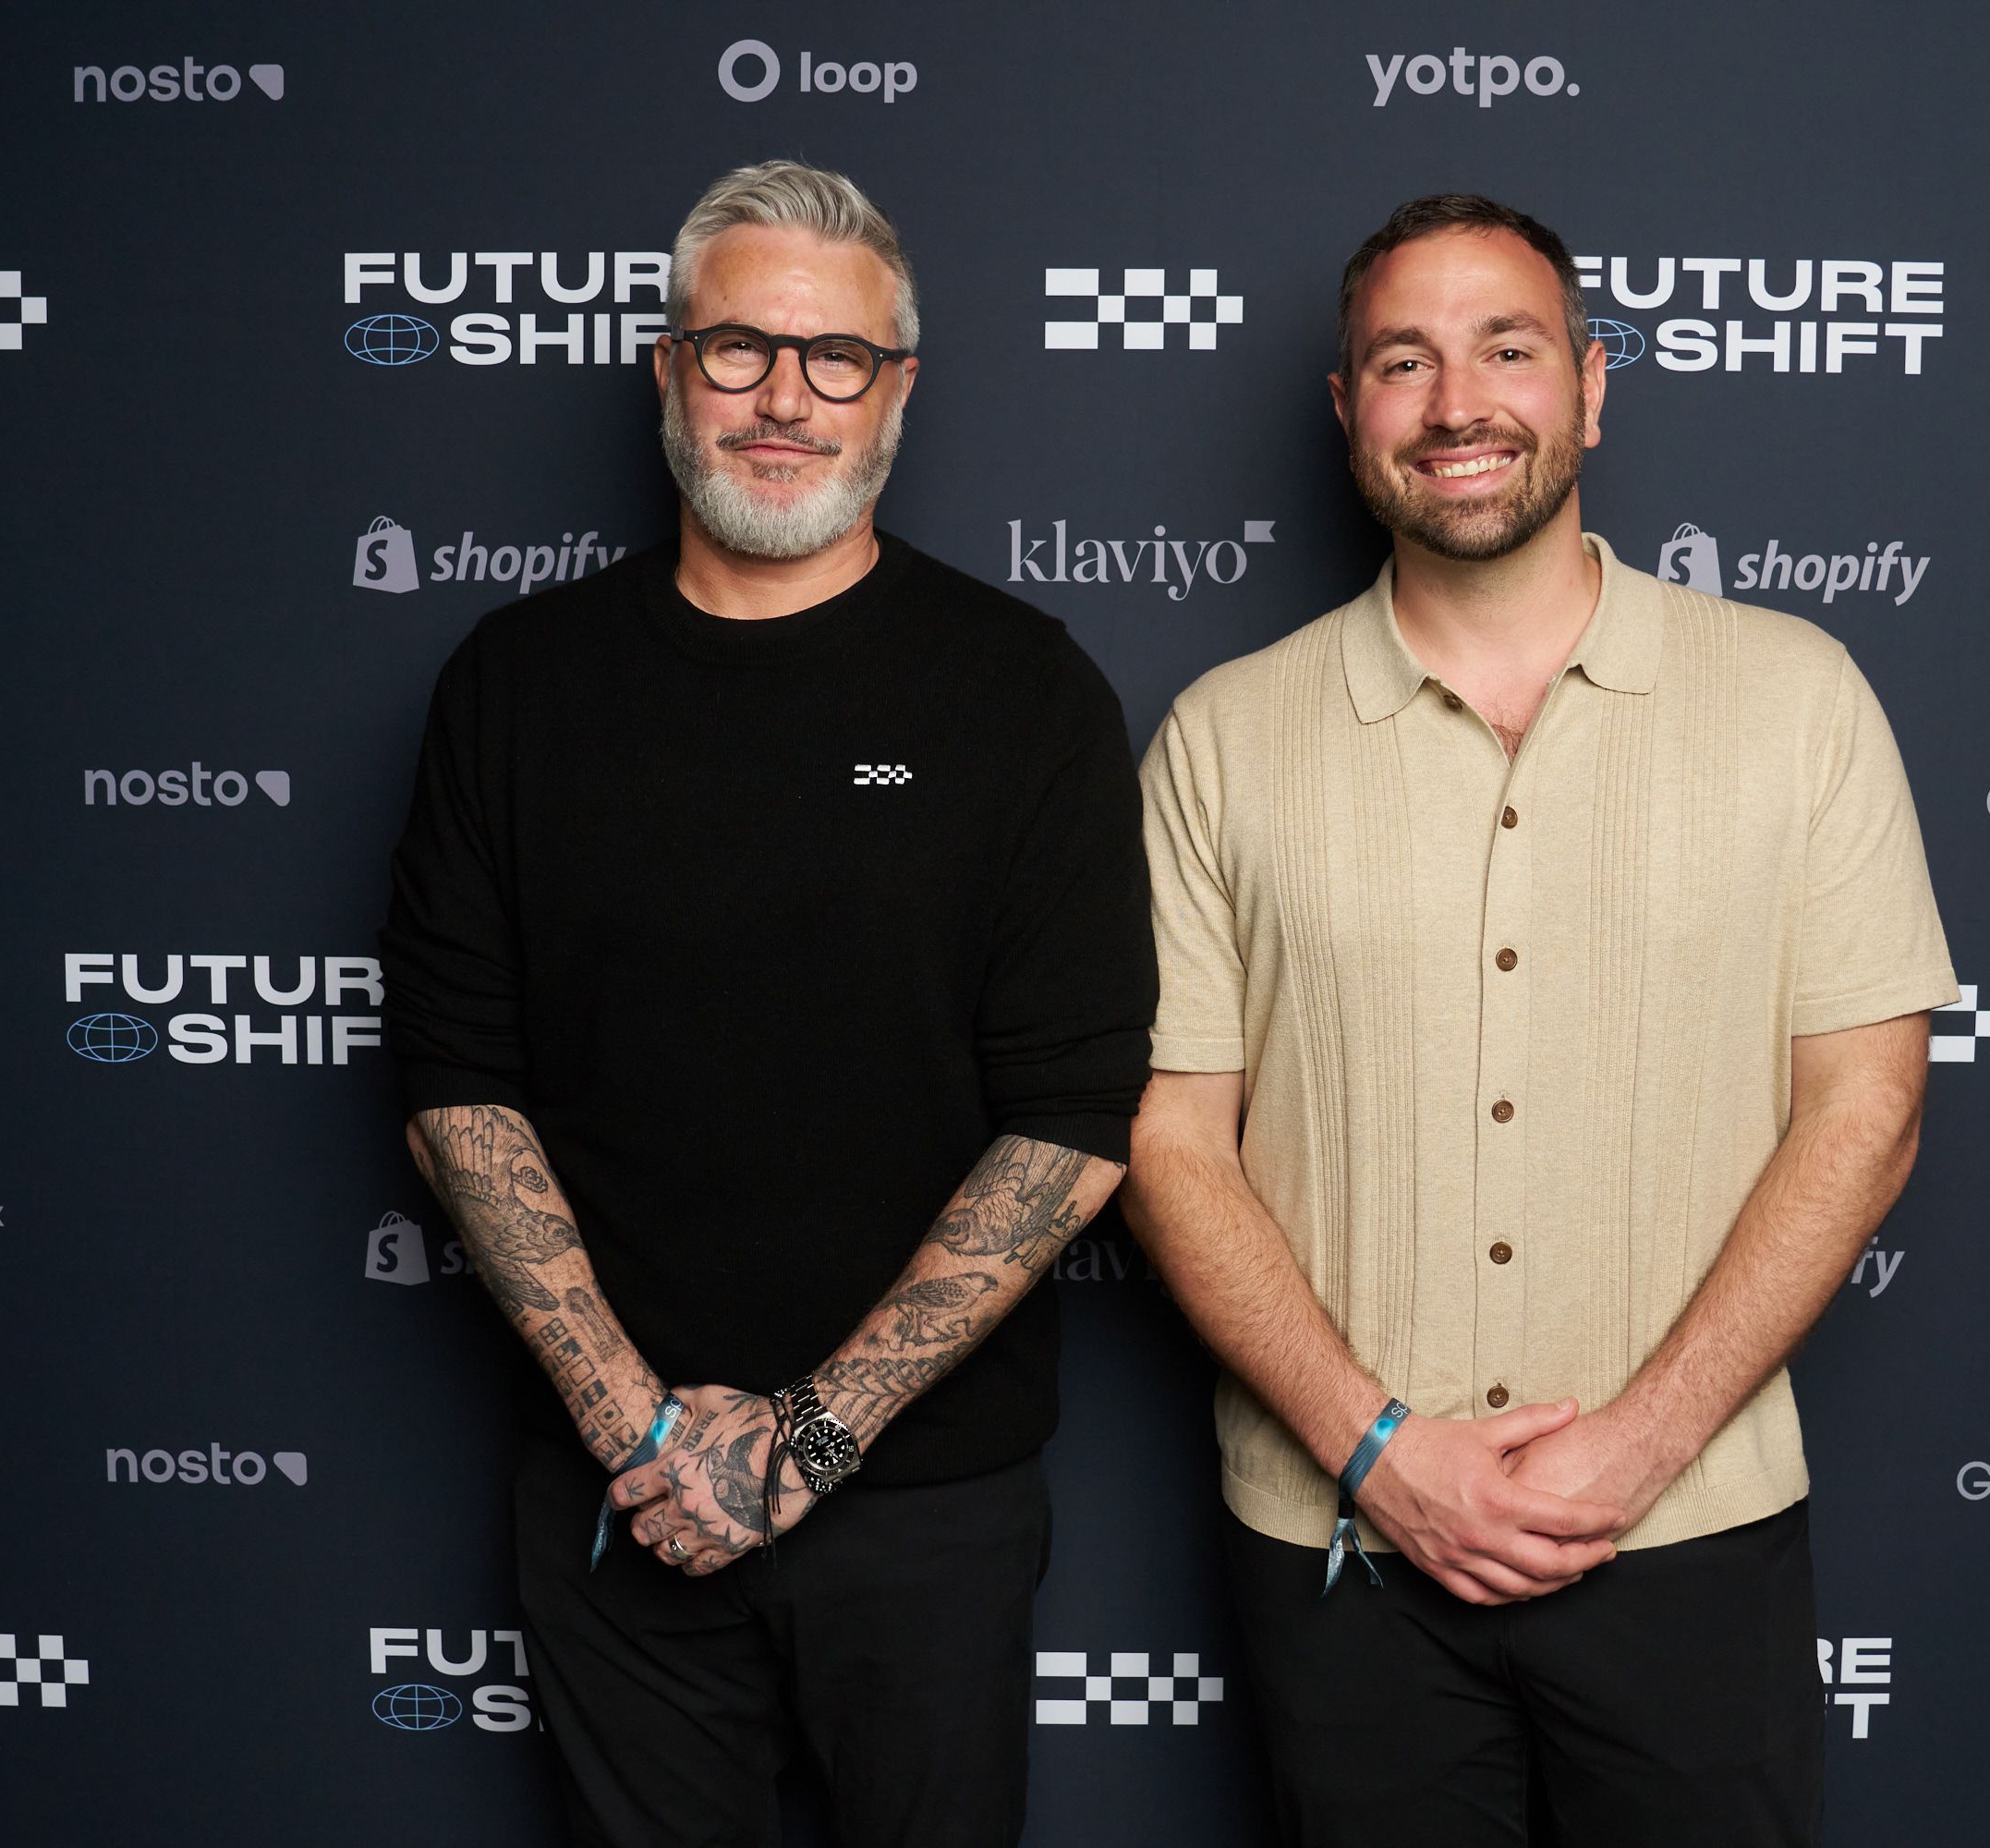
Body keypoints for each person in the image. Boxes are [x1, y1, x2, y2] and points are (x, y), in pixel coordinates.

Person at [1122, 193, 1958, 1846]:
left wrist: (1634, 1452)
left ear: (1591, 388)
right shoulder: (1221, 739)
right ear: (1346, 409)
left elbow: (1866, 1111)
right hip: (1341, 1545)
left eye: (1507, 349)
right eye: (1402, 361)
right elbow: (1165, 1142)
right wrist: (1379, 1448)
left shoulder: (1798, 698)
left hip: (1692, 1532)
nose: (1456, 405)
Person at [380, 159, 1155, 1848]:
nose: (784, 399)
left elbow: (1073, 1116)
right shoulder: (516, 685)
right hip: (616, 1491)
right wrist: (645, 1428)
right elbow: (454, 1079)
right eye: (737, 349)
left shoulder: (1023, 692)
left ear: (898, 393)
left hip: (928, 1500)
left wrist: (803, 1438)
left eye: (836, 359)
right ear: (667, 369)